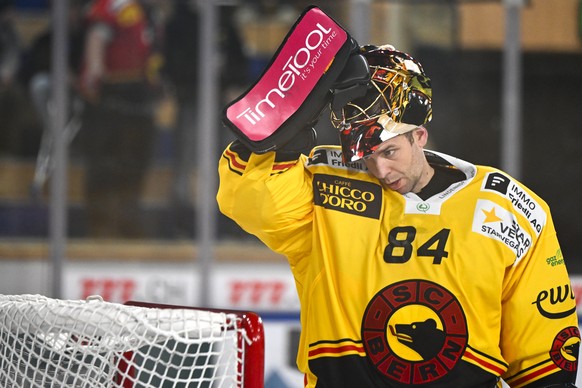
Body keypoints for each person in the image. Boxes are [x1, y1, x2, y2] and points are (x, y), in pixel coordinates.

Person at [217, 44, 580, 386]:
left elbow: (541, 352)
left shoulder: (509, 207)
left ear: (420, 135)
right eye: (366, 158)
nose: (380, 170)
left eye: (389, 152)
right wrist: (284, 128)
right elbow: (253, 203)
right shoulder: (325, 188)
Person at [77, 0, 163, 238]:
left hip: (139, 95)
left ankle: (127, 221)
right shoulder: (115, 6)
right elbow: (96, 39)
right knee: (104, 165)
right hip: (111, 94)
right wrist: (95, 75)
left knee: (134, 164)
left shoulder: (150, 12)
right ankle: (100, 226)